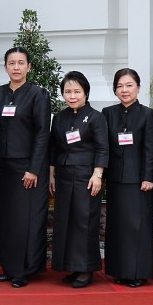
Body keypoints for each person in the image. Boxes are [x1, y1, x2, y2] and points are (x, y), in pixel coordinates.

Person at [0, 47, 51, 288]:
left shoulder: (38, 95)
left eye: (21, 63)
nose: (16, 67)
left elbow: (42, 134)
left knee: (24, 220)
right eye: (11, 63)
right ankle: (9, 266)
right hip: (1, 168)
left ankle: (24, 270)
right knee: (4, 219)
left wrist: (34, 169)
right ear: (5, 67)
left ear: (29, 67)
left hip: (27, 168)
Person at [49, 71, 108, 288]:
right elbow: (53, 146)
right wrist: (51, 174)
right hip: (64, 176)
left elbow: (103, 147)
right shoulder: (60, 117)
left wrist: (98, 174)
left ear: (85, 92)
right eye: (67, 91)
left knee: (84, 222)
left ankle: (86, 269)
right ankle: (71, 265)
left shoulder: (95, 117)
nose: (72, 96)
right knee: (65, 221)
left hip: (87, 176)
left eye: (76, 91)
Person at [102, 68, 153, 287]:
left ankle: (137, 272)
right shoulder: (108, 113)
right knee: (117, 226)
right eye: (120, 86)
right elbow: (104, 146)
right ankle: (118, 269)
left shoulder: (147, 114)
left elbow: (150, 149)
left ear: (138, 88)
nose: (124, 90)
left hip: (138, 180)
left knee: (137, 226)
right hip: (115, 178)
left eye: (129, 85)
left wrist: (147, 177)